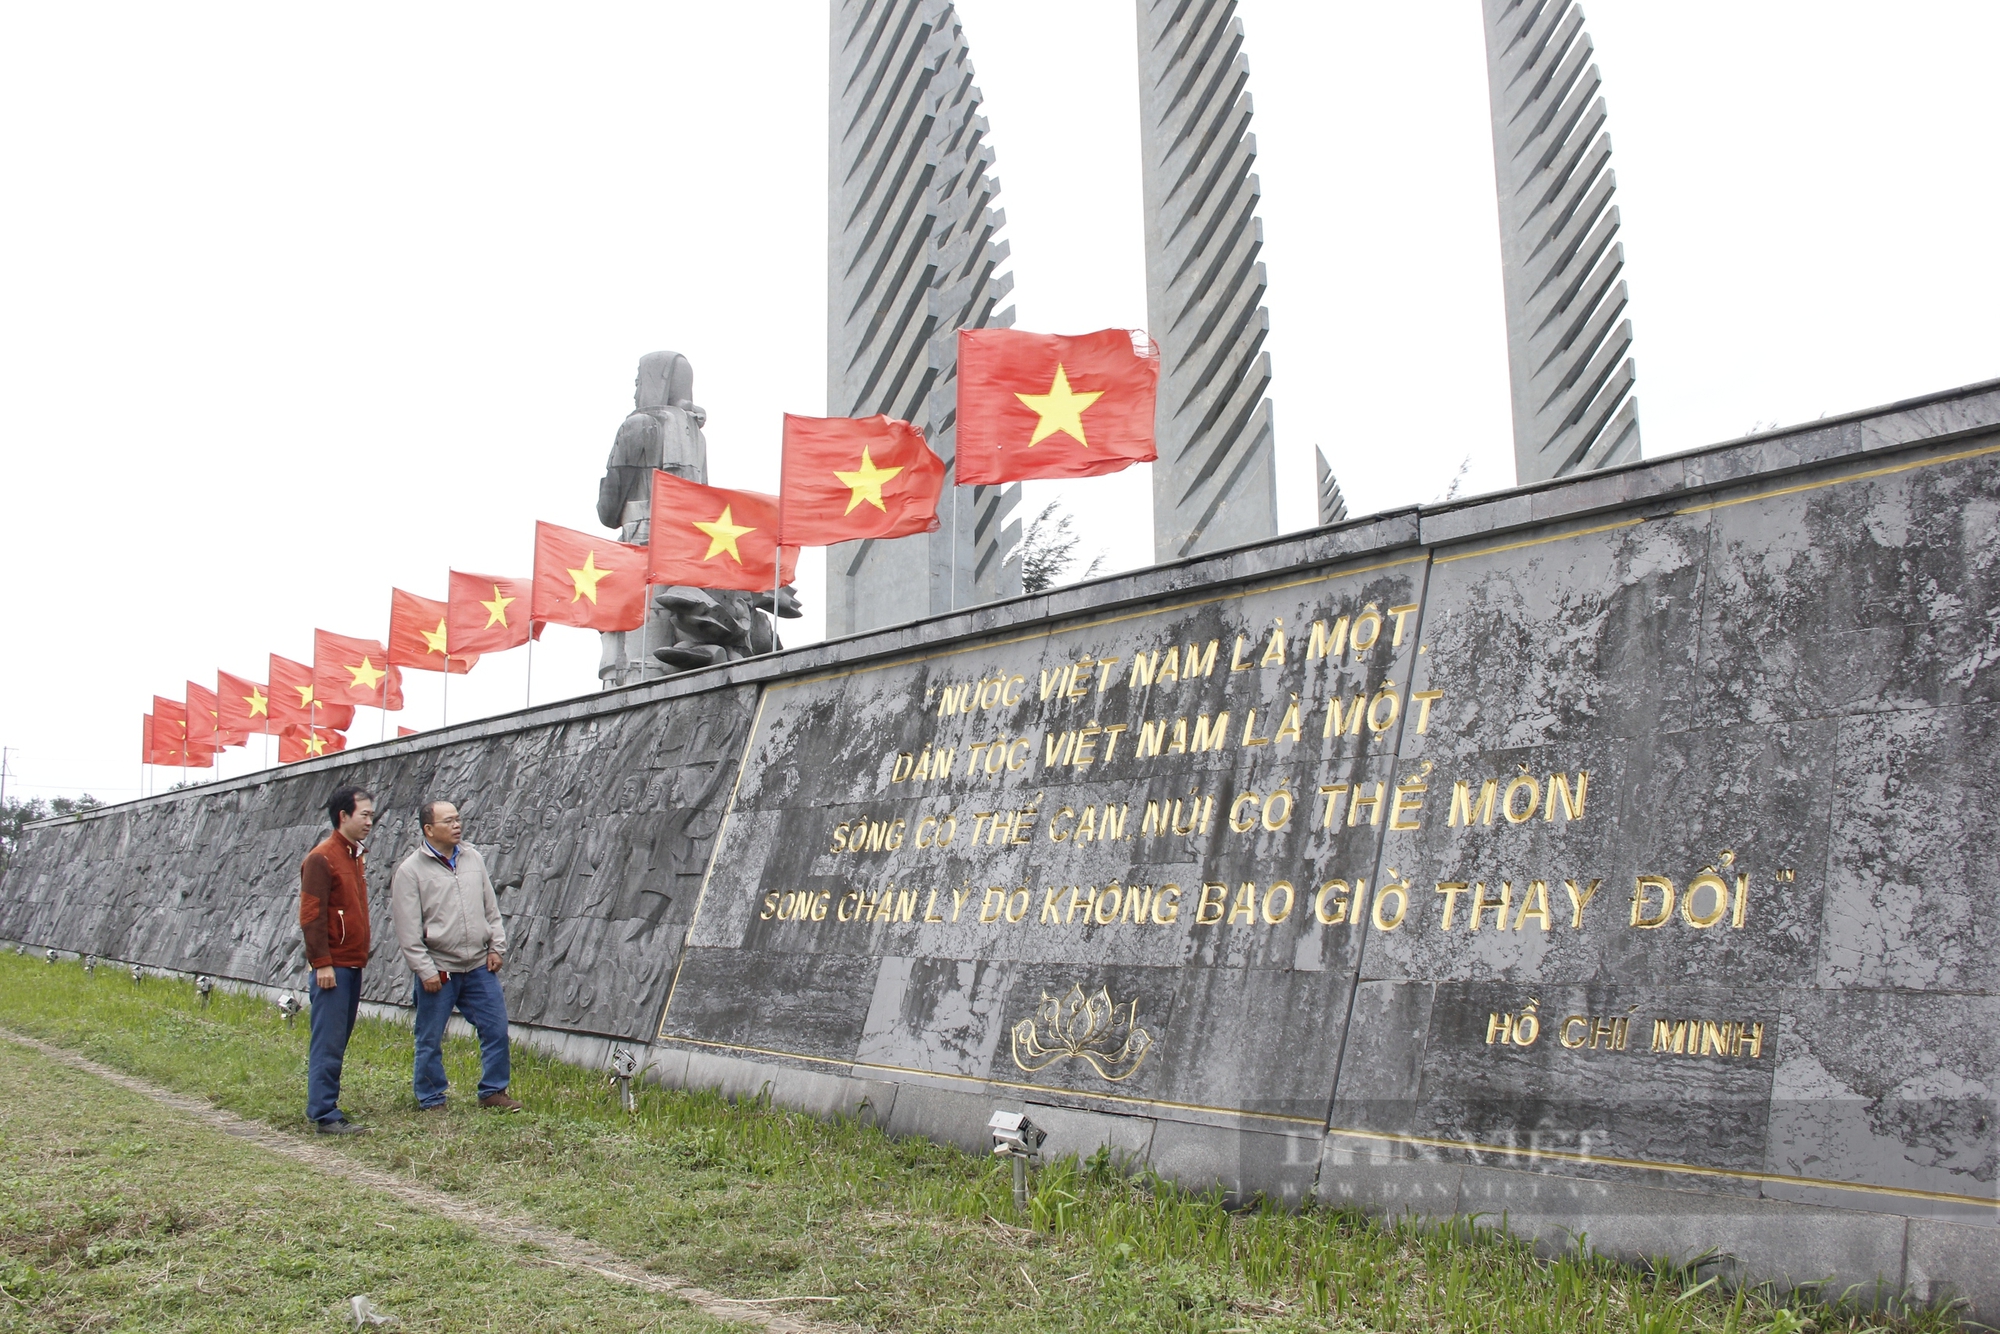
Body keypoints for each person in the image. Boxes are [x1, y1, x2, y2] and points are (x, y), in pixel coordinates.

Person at [389, 799, 521, 1112]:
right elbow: (408, 930)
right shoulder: (410, 872)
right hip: (439, 969)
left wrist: (496, 947)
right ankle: (431, 1097)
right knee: (430, 1037)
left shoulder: (472, 858)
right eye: (448, 821)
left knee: (495, 1028)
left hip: (478, 965)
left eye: (458, 819)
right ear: (428, 829)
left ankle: (493, 1091)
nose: (456, 825)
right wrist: (425, 970)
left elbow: (491, 908)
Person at [300, 785, 374, 1134]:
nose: (370, 822)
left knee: (339, 1037)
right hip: (334, 966)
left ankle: (325, 1104)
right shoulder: (323, 857)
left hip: (351, 962)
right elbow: (311, 915)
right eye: (365, 815)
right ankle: (324, 1113)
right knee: (328, 1039)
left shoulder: (353, 855)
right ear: (343, 816)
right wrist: (322, 962)